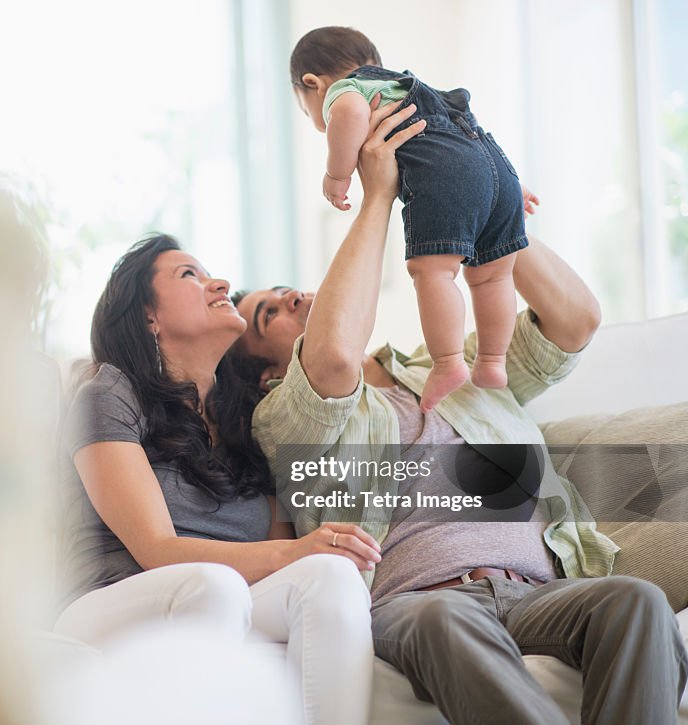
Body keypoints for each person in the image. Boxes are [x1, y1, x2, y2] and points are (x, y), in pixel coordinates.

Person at [229, 111, 688, 723]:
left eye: (289, 288)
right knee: (445, 619)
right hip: (420, 601)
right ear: (267, 373)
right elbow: (335, 357)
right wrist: (379, 195)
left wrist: (484, 198)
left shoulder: (454, 369)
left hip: (537, 590)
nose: (295, 296)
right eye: (271, 313)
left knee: (636, 602)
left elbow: (575, 321)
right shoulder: (287, 418)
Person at [52, 100, 427, 725]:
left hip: (231, 597)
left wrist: (310, 555)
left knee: (332, 581)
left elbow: (283, 545)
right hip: (109, 601)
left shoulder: (247, 416)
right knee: (216, 585)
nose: (218, 282)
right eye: (190, 275)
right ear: (147, 315)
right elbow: (157, 550)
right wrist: (298, 551)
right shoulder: (108, 394)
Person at [290, 25, 539, 411]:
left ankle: (448, 363)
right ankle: (492, 361)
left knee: (435, 273)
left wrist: (336, 175)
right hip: (492, 166)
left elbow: (350, 113)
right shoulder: (409, 87)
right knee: (494, 275)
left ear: (313, 84)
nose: (315, 115)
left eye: (305, 107)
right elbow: (469, 136)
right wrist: (506, 186)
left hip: (449, 176)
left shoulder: (347, 90)